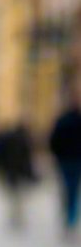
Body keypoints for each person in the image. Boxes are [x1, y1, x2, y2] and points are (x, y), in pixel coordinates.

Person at [0, 122, 36, 229]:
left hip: (7, 171)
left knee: (11, 194)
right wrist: (30, 174)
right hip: (19, 172)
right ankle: (17, 216)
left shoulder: (4, 139)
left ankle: (13, 216)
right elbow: (28, 160)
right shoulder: (23, 140)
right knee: (18, 195)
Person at [48, 94, 81, 237]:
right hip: (76, 161)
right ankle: (71, 219)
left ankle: (67, 218)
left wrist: (58, 155)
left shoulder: (62, 121)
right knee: (73, 191)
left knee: (66, 190)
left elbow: (53, 141)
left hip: (65, 161)